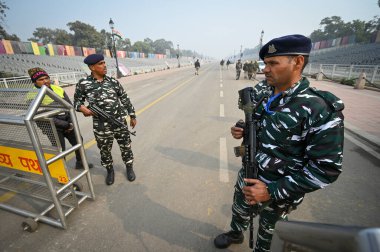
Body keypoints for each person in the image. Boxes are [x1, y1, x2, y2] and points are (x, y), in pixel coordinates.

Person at [214, 34, 344, 252]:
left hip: (278, 193)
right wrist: (243, 128)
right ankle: (236, 233)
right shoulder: (263, 91)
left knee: (268, 239)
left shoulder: (318, 108)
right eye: (266, 63)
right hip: (249, 172)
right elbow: (254, 121)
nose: (265, 69)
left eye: (273, 63)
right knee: (239, 209)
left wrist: (272, 191)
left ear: (298, 62)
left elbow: (326, 169)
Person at [73, 54, 137, 185]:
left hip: (119, 122)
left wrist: (132, 115)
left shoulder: (113, 82)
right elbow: (76, 102)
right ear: (92, 67)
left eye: (104, 63)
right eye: (100, 64)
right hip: (101, 125)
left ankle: (129, 167)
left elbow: (125, 99)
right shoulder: (83, 84)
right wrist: (83, 109)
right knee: (104, 150)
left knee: (126, 146)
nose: (104, 65)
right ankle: (110, 171)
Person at [27, 67, 93, 170]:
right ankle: (62, 174)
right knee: (60, 150)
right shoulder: (32, 95)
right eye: (41, 80)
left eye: (46, 78)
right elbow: (42, 117)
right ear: (34, 82)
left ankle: (80, 163)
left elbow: (69, 107)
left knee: (78, 141)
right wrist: (66, 125)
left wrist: (71, 123)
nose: (45, 81)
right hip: (52, 128)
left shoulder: (58, 89)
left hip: (68, 123)